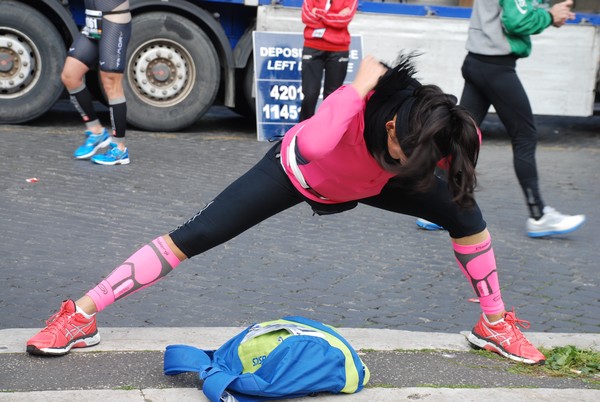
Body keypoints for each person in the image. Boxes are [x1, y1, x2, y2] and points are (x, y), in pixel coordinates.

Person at [26, 55, 546, 365]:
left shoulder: (440, 135)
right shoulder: (353, 109)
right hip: (298, 173)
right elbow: (318, 142)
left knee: (467, 216)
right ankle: (80, 315)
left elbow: (452, 163)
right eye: (414, 162)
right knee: (199, 232)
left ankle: (493, 325)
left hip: (368, 183)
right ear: (391, 130)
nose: (422, 170)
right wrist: (358, 83)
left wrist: (433, 175)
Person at [458, 0, 585, 237]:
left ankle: (442, 206)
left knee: (461, 135)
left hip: (477, 61)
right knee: (525, 136)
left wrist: (549, 12)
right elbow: (517, 20)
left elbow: (518, 8)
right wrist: (548, 16)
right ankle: (539, 216)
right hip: (495, 67)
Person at [63, 0, 132, 165]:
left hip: (114, 22)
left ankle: (119, 149)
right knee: (70, 76)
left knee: (110, 82)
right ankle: (96, 132)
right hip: (92, 23)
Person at [299, 0, 358, 121]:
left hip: (338, 50)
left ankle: (326, 134)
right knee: (310, 94)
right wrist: (334, 15)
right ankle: (302, 131)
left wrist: (319, 13)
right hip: (312, 47)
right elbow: (306, 16)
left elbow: (344, 20)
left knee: (332, 97)